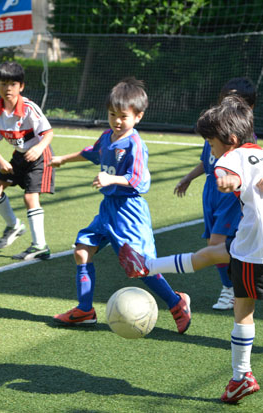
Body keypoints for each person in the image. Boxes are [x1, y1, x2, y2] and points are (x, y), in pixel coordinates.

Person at [119, 96, 263, 403]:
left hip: (256, 245)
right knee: (211, 254)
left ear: (231, 140)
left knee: (243, 310)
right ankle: (147, 265)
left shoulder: (232, 157)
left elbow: (230, 175)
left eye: (211, 144)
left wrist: (227, 181)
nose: (211, 152)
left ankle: (241, 376)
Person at [50, 78, 191, 334]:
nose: (116, 121)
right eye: (112, 114)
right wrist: (63, 159)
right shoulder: (107, 137)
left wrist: (110, 178)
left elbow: (138, 180)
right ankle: (84, 310)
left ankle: (176, 302)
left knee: (141, 267)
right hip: (108, 209)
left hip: (129, 211)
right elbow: (91, 152)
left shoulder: (135, 145)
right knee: (82, 250)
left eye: (123, 116)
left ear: (138, 116)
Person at [174, 77, 256, 310]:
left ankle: (233, 287)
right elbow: (206, 161)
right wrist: (188, 178)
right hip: (211, 189)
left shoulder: (244, 136)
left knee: (216, 243)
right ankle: (235, 284)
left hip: (229, 191)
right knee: (213, 241)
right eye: (225, 100)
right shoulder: (214, 128)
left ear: (249, 106)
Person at [0, 61, 54, 260]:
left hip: (40, 156)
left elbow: (48, 133)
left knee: (30, 198)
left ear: (21, 86)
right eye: (3, 84)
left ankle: (40, 245)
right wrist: (0, 161)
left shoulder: (29, 108)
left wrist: (38, 148)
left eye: (13, 84)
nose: (8, 88)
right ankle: (14, 225)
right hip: (20, 156)